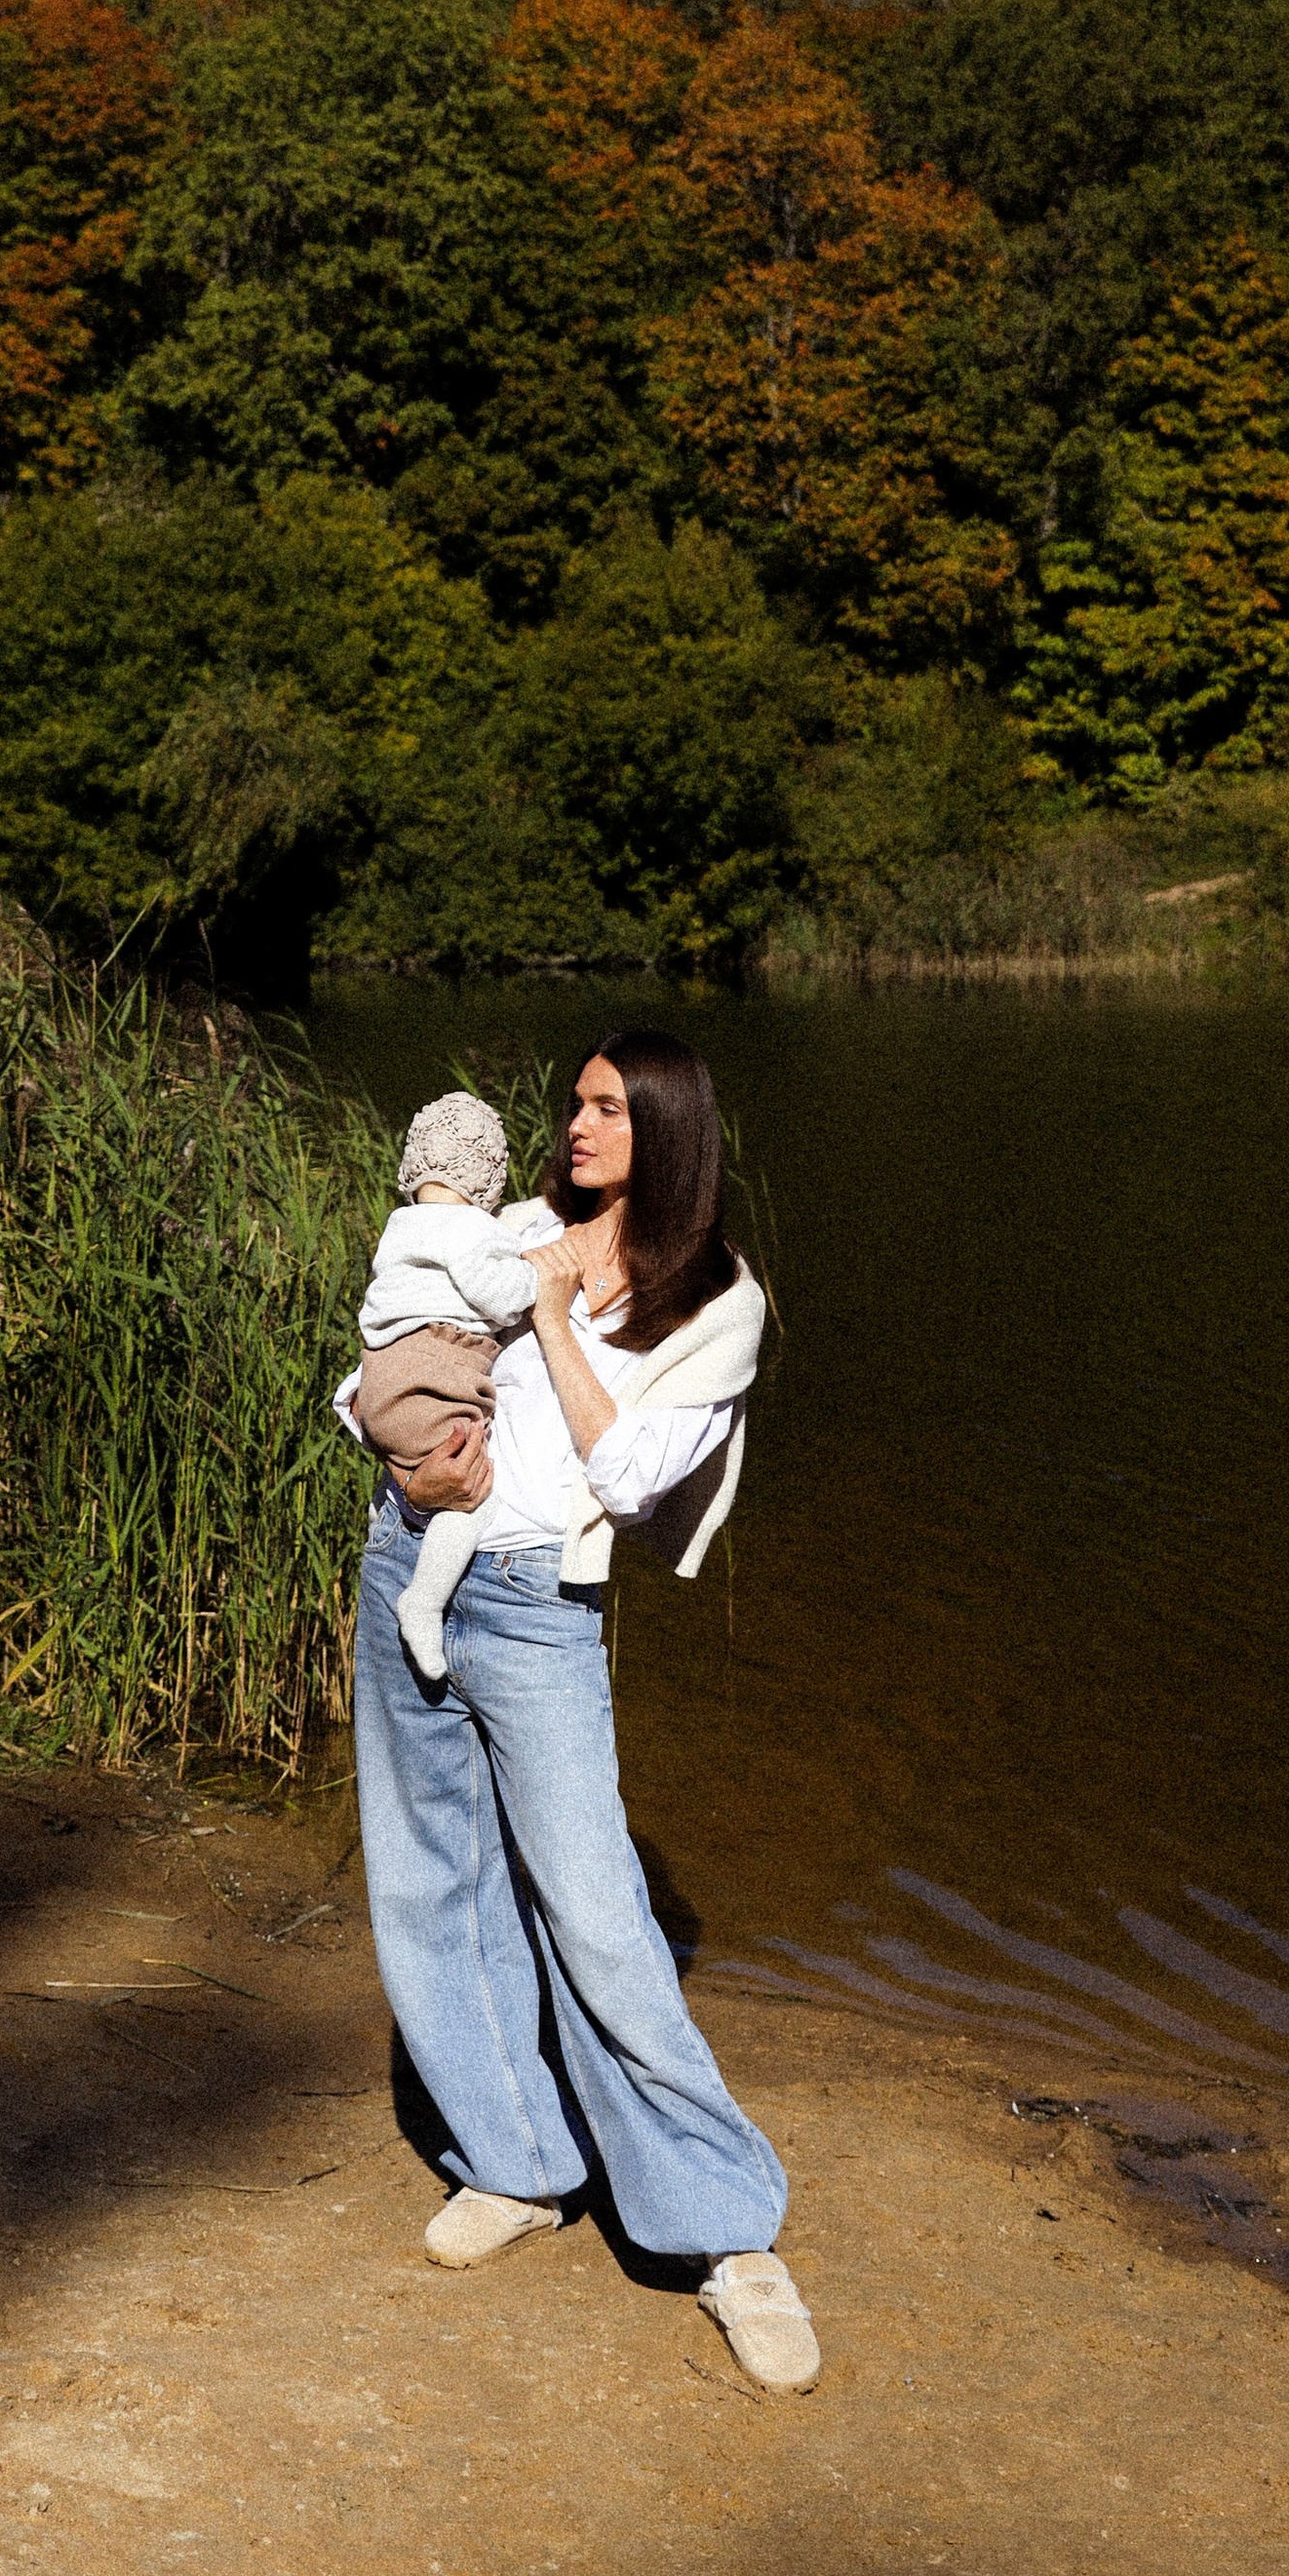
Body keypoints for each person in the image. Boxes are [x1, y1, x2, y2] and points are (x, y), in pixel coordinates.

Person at [343, 1025, 822, 2393]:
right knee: (437, 1876)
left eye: (607, 1107)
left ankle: (726, 2232)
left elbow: (629, 1472)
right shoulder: (507, 1226)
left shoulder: (718, 1297)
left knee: (598, 1912)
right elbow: (379, 1348)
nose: (577, 1125)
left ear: (668, 1125)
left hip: (538, 1604)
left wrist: (550, 1310)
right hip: (410, 1559)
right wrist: (404, 1453)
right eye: (574, 1103)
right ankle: (515, 2160)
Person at [347, 1091, 539, 1682]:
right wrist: (540, 1277)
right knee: (477, 1495)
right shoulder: (470, 1232)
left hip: (380, 1386)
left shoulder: (400, 1229)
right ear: (488, 1185)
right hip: (430, 1384)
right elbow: (504, 1298)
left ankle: (421, 1591)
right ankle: (423, 1601)